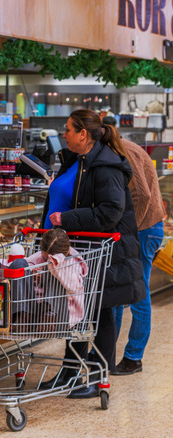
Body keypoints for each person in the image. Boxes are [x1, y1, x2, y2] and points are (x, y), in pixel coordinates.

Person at [40, 109, 144, 398]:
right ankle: (71, 372)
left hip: (105, 252)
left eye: (68, 130)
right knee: (79, 313)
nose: (64, 134)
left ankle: (98, 378)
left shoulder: (106, 166)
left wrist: (66, 220)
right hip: (82, 249)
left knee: (102, 311)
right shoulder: (79, 160)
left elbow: (111, 211)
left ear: (83, 134)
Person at [102, 116, 165, 375]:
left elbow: (142, 194)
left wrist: (130, 229)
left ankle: (133, 357)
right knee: (118, 292)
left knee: (138, 294)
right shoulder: (119, 147)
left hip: (145, 230)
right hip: (141, 229)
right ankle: (109, 353)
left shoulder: (123, 150)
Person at [9, 229, 87, 334]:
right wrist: (33, 275)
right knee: (19, 264)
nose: (45, 260)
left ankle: (49, 317)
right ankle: (22, 317)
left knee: (51, 268)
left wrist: (53, 266)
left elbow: (73, 287)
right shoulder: (39, 257)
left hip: (59, 316)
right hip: (35, 310)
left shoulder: (73, 264)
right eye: (44, 257)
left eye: (48, 258)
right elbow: (27, 267)